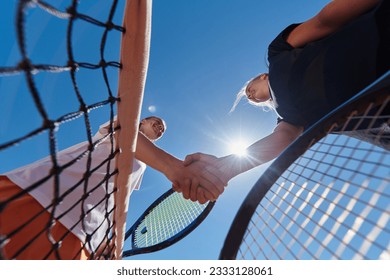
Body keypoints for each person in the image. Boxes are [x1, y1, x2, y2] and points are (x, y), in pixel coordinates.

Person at [179, 0, 390, 203]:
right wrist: (226, 167)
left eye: (249, 89)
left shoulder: (277, 53)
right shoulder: (288, 119)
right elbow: (280, 141)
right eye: (251, 99)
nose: (250, 95)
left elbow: (324, 21)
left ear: (262, 76)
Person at [0, 116, 224, 259]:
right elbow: (124, 132)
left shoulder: (142, 167)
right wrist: (175, 168)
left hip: (80, 239)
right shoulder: (124, 119)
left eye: (162, 129)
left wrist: (110, 239)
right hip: (37, 194)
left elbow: (118, 200)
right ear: (142, 121)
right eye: (155, 122)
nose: (159, 127)